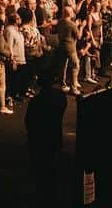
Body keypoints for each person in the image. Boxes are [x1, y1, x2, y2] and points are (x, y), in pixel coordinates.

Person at [26, 71, 68, 207]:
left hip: (39, 140)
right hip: (54, 136)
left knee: (40, 171)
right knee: (52, 169)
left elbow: (29, 122)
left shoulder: (36, 101)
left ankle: (41, 198)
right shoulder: (61, 97)